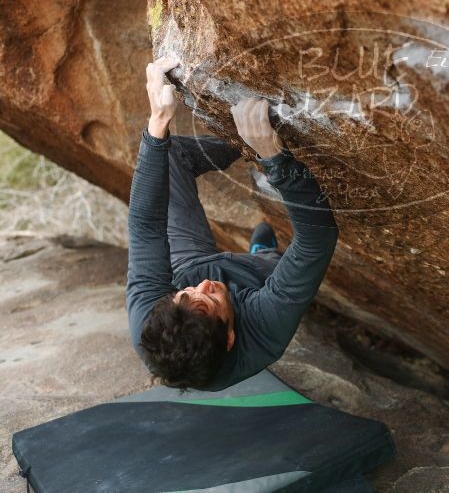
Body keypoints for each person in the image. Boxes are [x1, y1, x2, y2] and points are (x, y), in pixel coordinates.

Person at [125, 56, 339, 390]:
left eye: (186, 296)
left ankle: (241, 141)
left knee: (166, 155)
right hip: (256, 283)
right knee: (287, 261)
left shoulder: (153, 324)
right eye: (209, 302)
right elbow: (317, 240)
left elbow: (146, 226)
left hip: (188, 265)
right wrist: (274, 156)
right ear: (229, 337)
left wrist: (158, 120)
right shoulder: (263, 329)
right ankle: (263, 253)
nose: (204, 287)